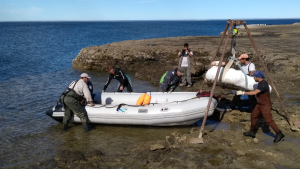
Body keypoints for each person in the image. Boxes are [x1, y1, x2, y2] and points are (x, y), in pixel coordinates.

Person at [236, 71, 285, 143]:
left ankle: (279, 133)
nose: (253, 78)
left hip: (265, 105)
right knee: (254, 115)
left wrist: (243, 93)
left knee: (269, 120)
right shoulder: (260, 83)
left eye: (254, 77)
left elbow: (254, 92)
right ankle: (252, 132)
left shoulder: (263, 84)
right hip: (259, 104)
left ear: (258, 77)